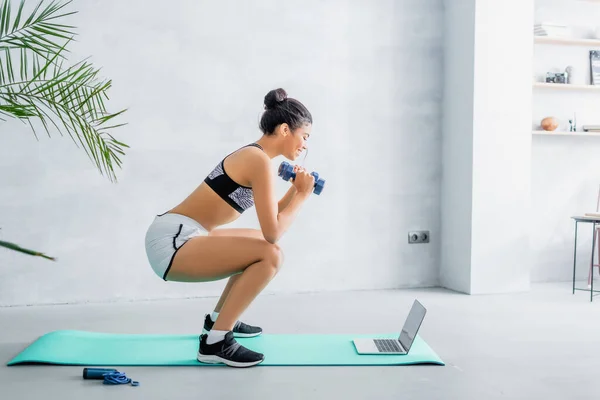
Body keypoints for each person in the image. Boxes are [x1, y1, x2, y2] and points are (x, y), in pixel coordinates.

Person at [144, 88, 315, 368]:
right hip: (172, 242)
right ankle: (215, 342)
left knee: (260, 246)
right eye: (305, 136)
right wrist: (303, 197)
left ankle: (219, 320)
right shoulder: (257, 160)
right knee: (271, 254)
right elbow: (274, 231)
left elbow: (269, 223)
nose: (305, 145)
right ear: (285, 129)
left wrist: (296, 192)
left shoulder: (257, 158)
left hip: (181, 234)